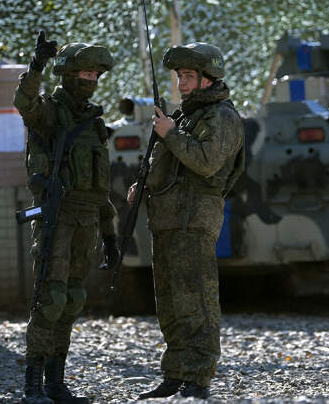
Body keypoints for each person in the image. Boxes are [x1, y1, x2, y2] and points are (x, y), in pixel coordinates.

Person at [128, 42, 244, 400]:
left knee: (197, 301)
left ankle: (198, 377)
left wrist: (171, 134)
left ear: (208, 78)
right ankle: (175, 374)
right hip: (167, 220)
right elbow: (168, 165)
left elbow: (206, 162)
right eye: (179, 77)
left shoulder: (222, 117)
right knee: (170, 303)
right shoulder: (185, 117)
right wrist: (142, 185)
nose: (182, 84)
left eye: (189, 76)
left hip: (194, 220)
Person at [14, 31, 120, 404]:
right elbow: (23, 102)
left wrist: (110, 236)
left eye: (95, 75)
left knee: (73, 298)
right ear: (69, 74)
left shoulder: (93, 122)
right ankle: (33, 386)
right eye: (85, 74)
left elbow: (100, 188)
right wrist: (36, 65)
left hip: (87, 220)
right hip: (57, 219)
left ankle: (56, 382)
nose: (91, 80)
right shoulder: (50, 112)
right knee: (51, 298)